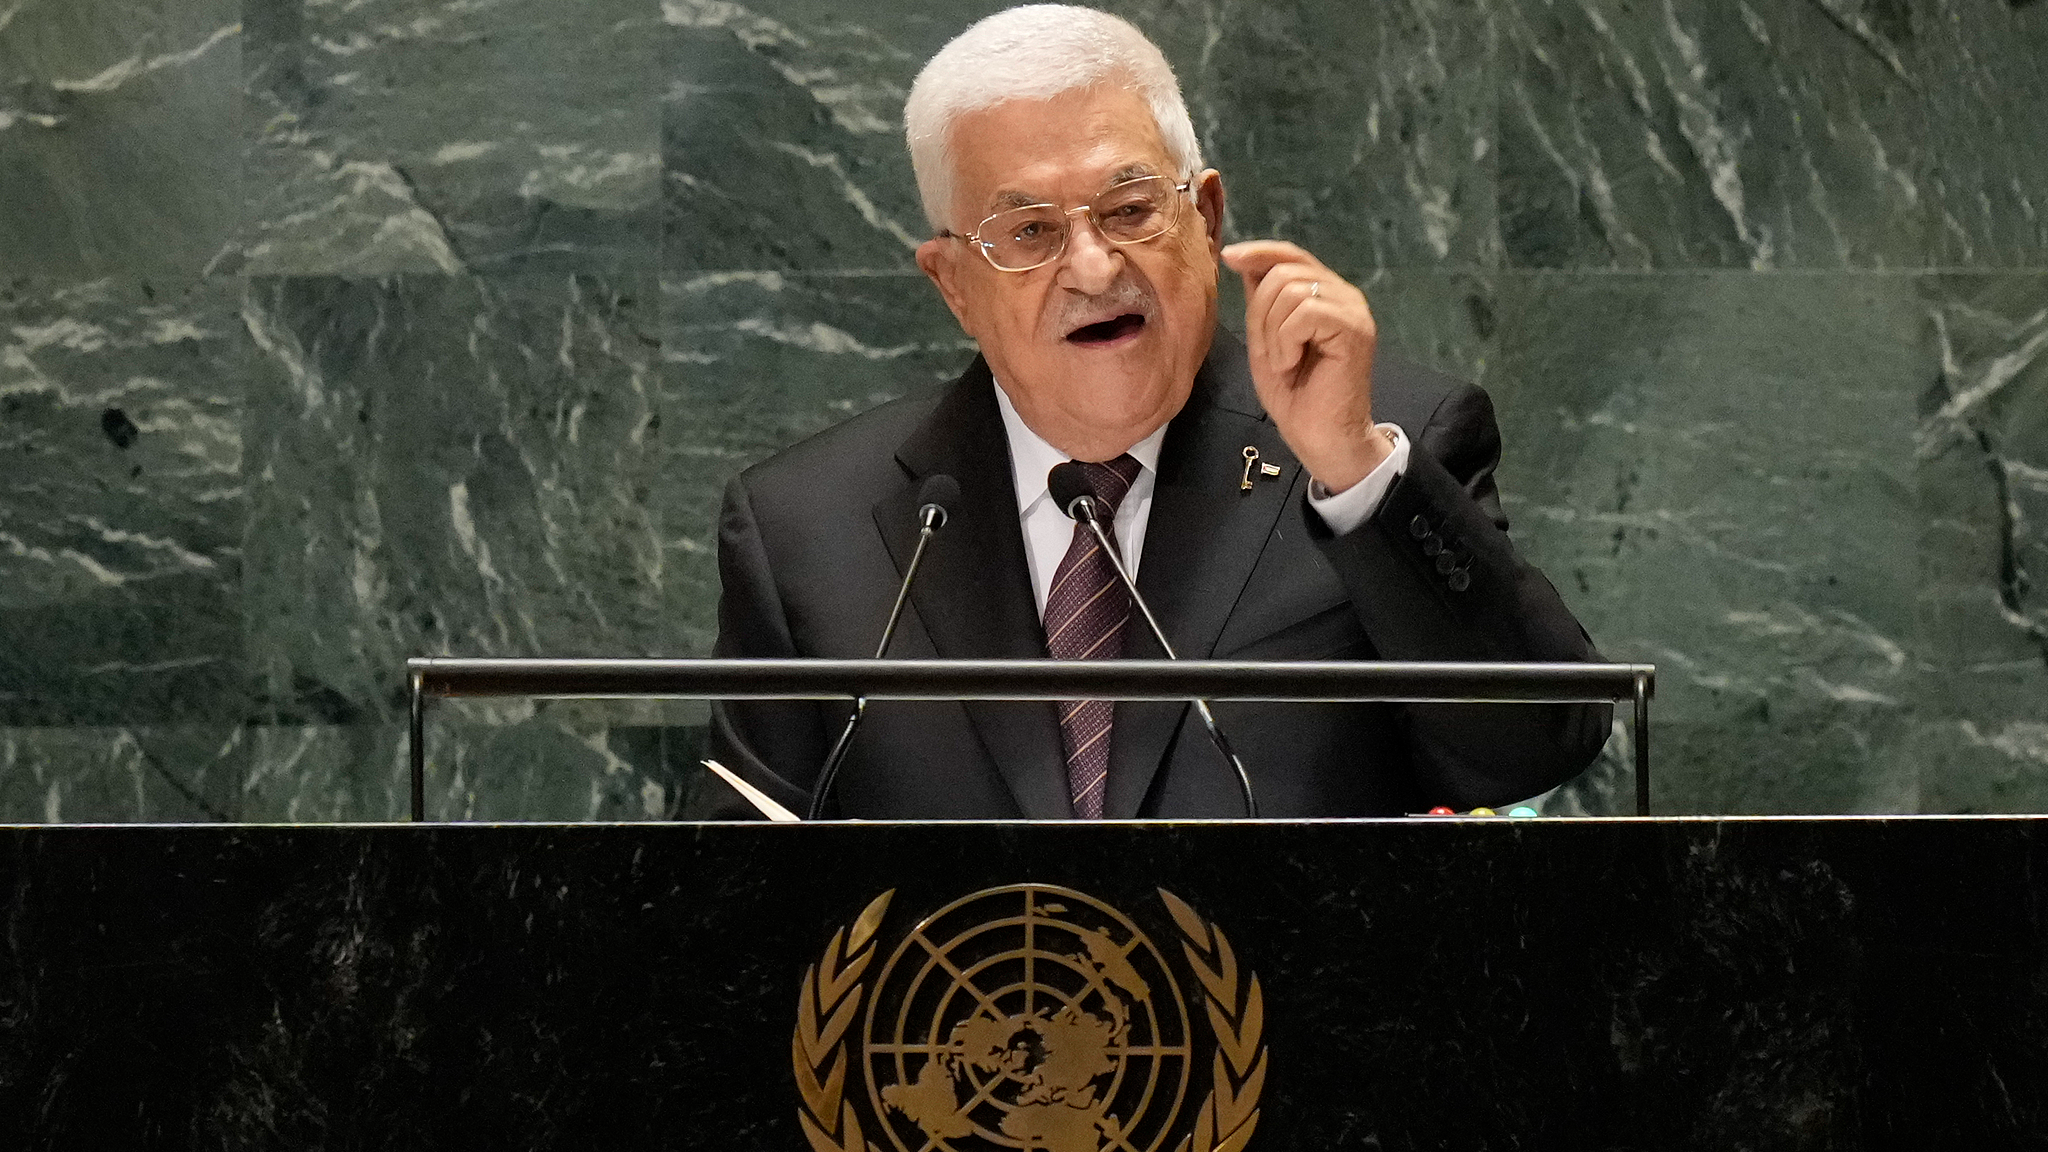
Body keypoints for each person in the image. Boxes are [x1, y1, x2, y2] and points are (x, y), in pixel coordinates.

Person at [690, 4, 1608, 820]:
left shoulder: (1382, 447)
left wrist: (1358, 472)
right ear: (954, 283)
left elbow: (1536, 746)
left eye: (1129, 210)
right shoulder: (810, 529)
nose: (1091, 270)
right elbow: (733, 904)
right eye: (1029, 233)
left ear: (1206, 219)